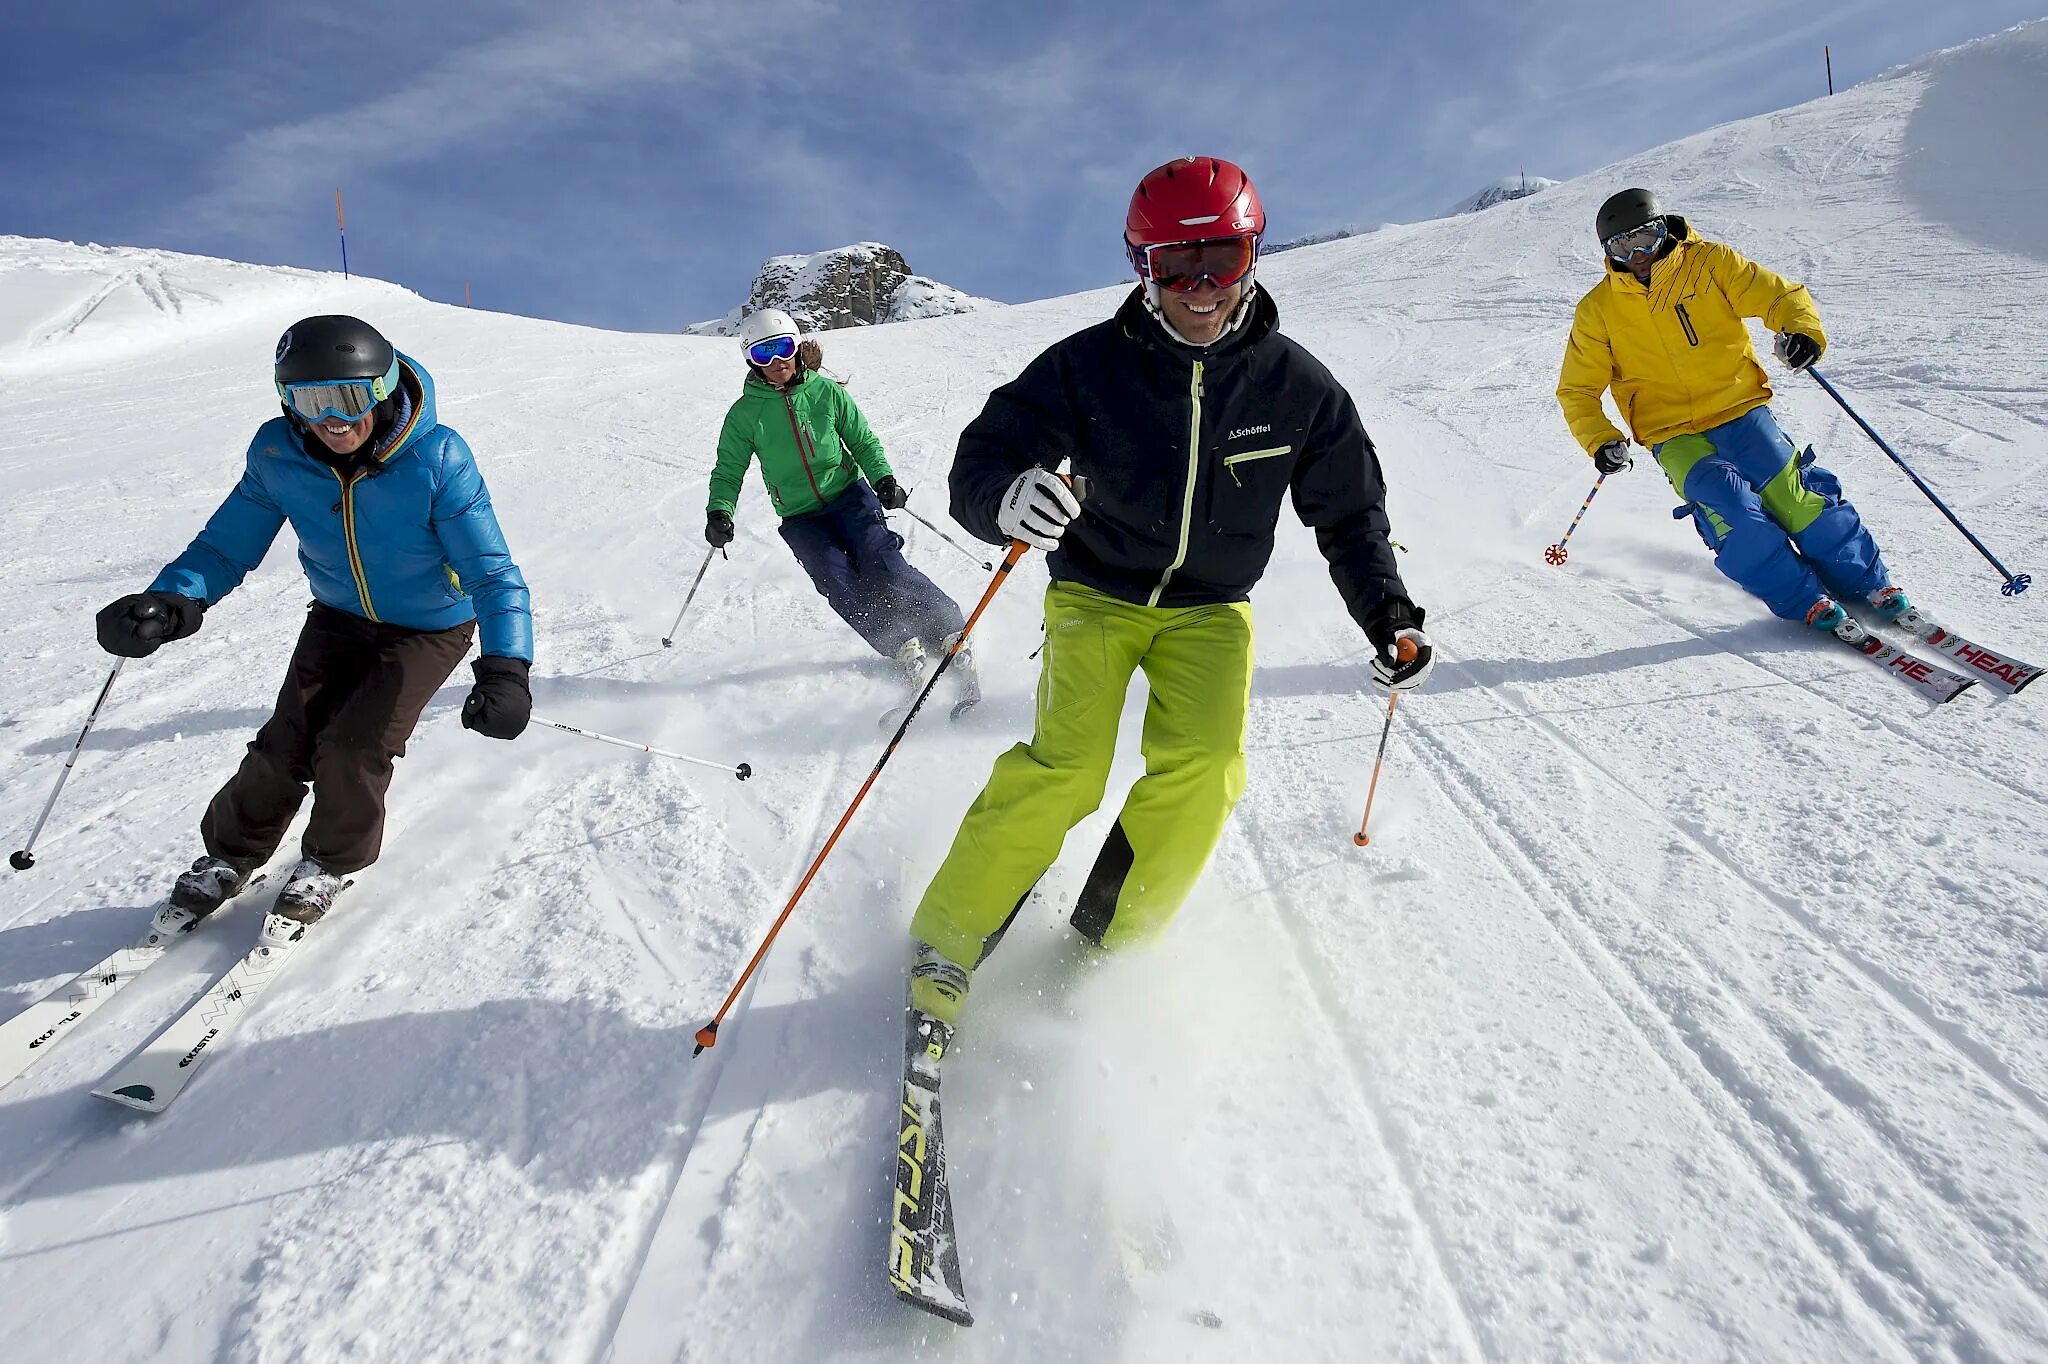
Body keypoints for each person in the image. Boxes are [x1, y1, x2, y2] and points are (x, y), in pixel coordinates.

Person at [905, 156, 1434, 1028]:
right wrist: (1002, 499)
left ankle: (1103, 950)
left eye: (1219, 259)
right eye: (1172, 265)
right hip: (1096, 595)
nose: (1199, 287)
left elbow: (1350, 514)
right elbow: (982, 457)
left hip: (1211, 609)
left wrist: (1390, 617)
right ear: (1139, 265)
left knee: (1207, 773)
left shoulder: (1296, 386)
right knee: (1067, 768)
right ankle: (946, 943)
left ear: (1254, 254)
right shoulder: (1087, 368)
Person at [95, 315, 532, 925]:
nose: (332, 418)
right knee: (287, 740)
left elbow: (491, 574)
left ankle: (328, 861)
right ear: (287, 402)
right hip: (338, 615)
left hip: (430, 627)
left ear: (381, 389)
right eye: (309, 399)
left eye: (349, 397)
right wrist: (171, 601)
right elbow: (225, 546)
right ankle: (229, 856)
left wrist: (507, 667)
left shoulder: (437, 457)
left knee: (356, 745)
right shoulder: (278, 453)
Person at [1556, 187, 1904, 632]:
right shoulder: (1597, 310)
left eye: (1644, 238)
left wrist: (1801, 332)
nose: (1637, 254)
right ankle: (1802, 597)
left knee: (1794, 498)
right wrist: (1601, 438)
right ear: (1607, 252)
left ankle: (1865, 581)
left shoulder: (1710, 263)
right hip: (1670, 431)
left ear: (1664, 228)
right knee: (1733, 512)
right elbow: (1578, 389)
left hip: (1738, 406)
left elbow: (1779, 297)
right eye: (1622, 246)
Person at [705, 309, 972, 692]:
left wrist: (883, 478)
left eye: (782, 348)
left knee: (882, 564)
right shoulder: (744, 414)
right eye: (765, 354)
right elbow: (729, 469)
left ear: (796, 347)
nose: (777, 362)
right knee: (838, 580)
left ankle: (947, 629)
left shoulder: (826, 393)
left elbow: (861, 439)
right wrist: (719, 512)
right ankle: (899, 645)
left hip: (849, 496)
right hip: (800, 516)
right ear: (751, 360)